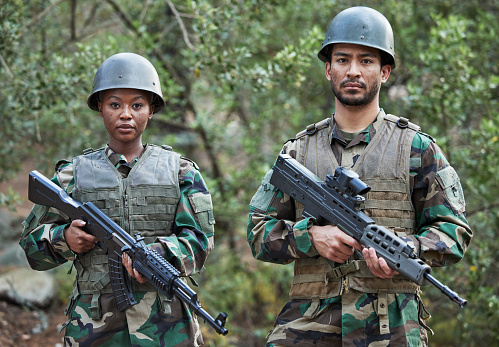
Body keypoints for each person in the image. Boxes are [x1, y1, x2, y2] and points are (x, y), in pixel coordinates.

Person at [247, 6, 472, 347]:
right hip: (308, 324)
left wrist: (407, 250)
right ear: (328, 69)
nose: (353, 70)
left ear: (384, 72)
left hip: (391, 326)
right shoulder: (298, 151)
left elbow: (454, 233)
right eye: (342, 60)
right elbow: (258, 232)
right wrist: (311, 237)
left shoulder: (417, 149)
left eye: (366, 61)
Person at [19, 52, 216, 346]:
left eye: (137, 105)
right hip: (93, 326)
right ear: (100, 108)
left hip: (167, 324)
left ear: (151, 110)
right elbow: (30, 246)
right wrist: (64, 238)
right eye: (115, 104)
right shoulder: (72, 175)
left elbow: (202, 241)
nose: (126, 114)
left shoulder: (181, 172)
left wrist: (162, 253)